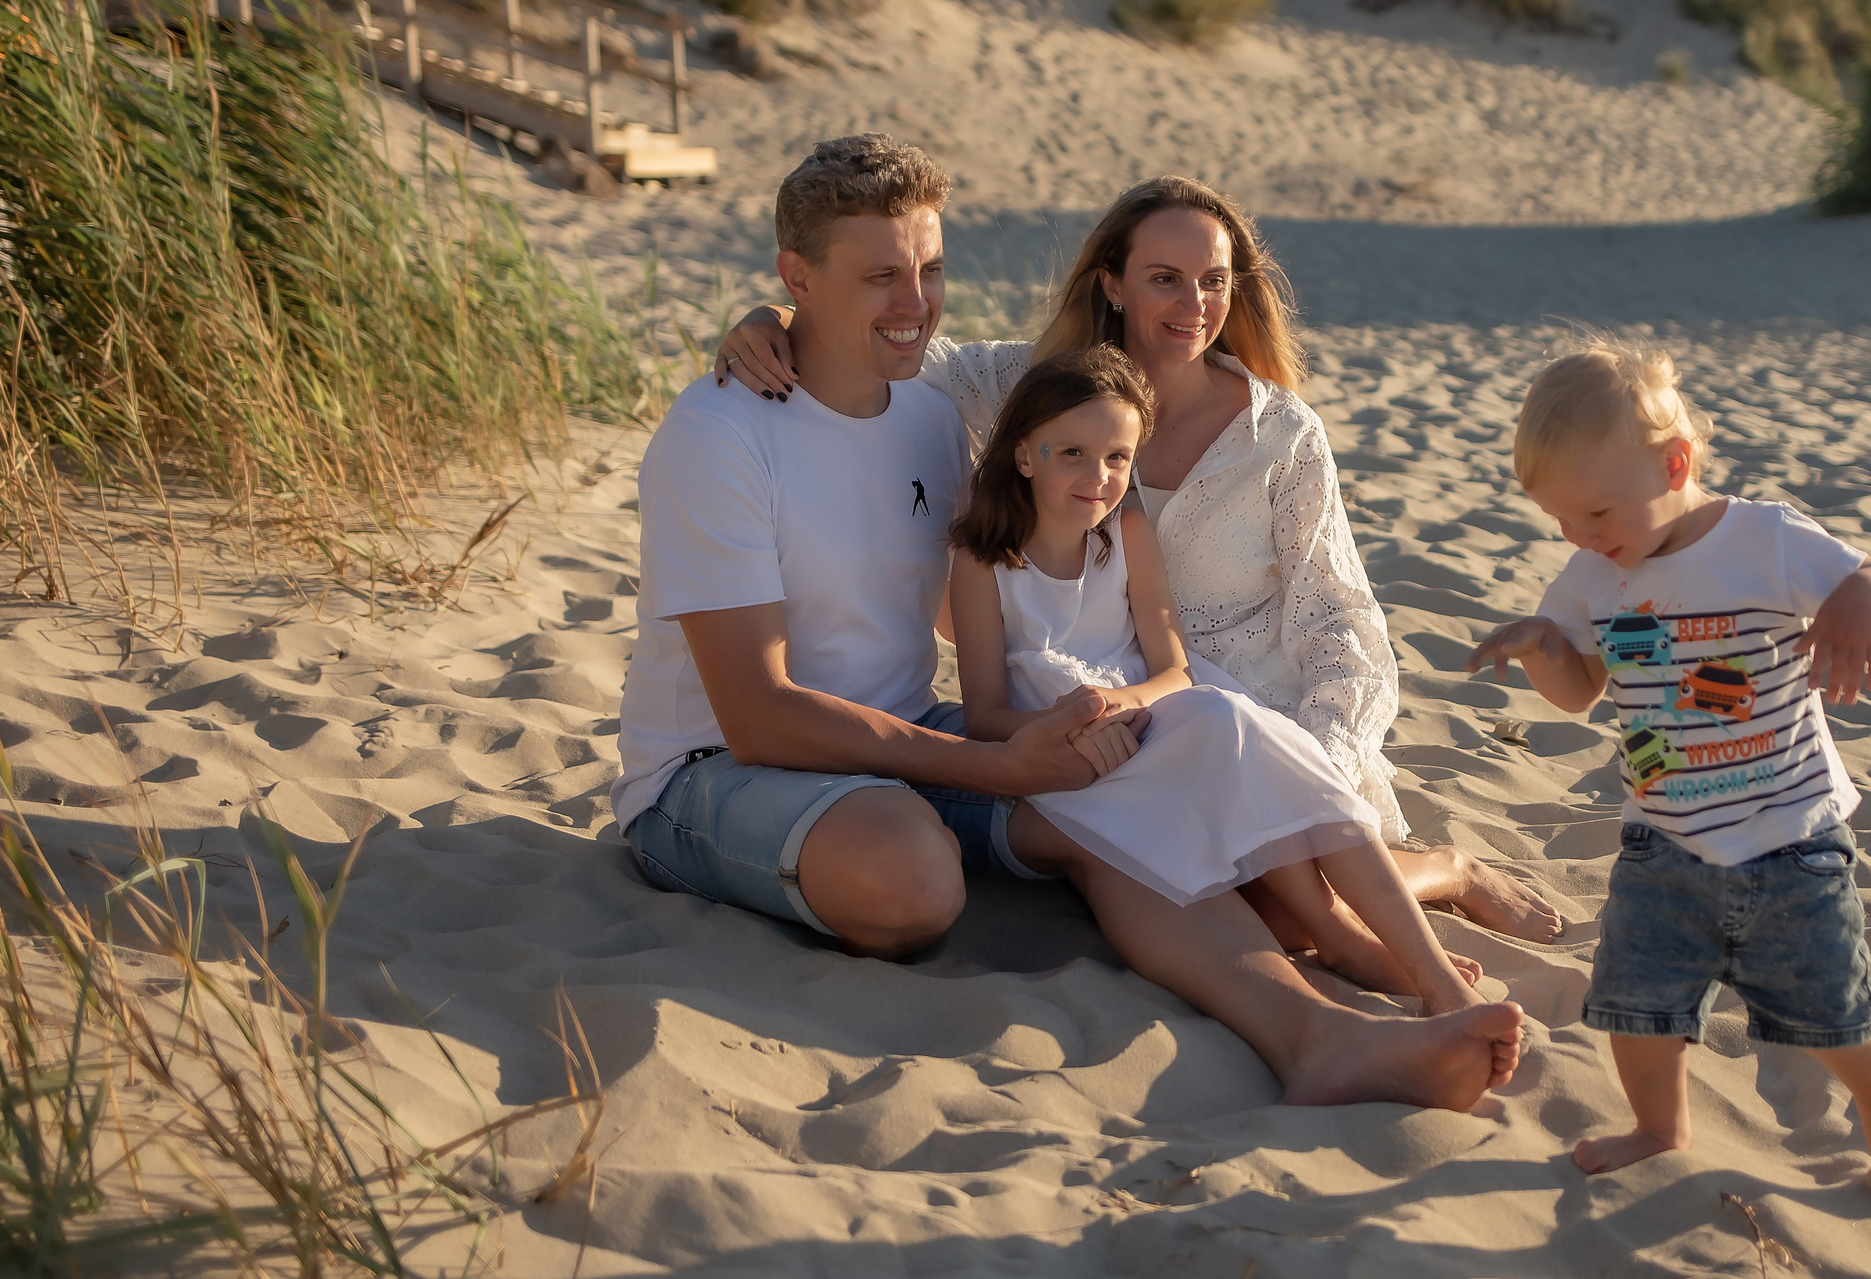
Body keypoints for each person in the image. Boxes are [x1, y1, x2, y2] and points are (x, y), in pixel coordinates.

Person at [617, 134, 1524, 1110]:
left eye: (929, 268)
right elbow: (757, 714)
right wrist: (1001, 766)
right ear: (795, 275)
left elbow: (1028, 392)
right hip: (723, 769)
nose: (915, 301)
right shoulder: (720, 432)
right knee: (911, 875)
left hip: (921, 739)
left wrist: (1041, 748)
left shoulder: (931, 410)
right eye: (880, 273)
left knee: (1130, 801)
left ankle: (1317, 1035)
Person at [715, 177, 1563, 944]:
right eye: (1165, 278)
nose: (1193, 303)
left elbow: (1344, 622)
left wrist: (1317, 765)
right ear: (1112, 284)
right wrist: (775, 320)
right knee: (1242, 900)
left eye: (1214, 281)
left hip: (1265, 718)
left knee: (1285, 898)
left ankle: (1448, 868)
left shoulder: (1281, 434)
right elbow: (893, 344)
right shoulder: (1037, 389)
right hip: (1108, 724)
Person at [1466, 341, 1871, 1193]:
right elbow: (1580, 692)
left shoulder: (1763, 538)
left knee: (1832, 1011)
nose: (1580, 538)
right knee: (1635, 1004)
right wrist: (1544, 647)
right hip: (1663, 841)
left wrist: (1866, 597)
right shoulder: (1592, 577)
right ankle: (1660, 1125)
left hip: (1789, 838)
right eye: (1562, 524)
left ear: (1675, 463)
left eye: (1599, 515)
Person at [948, 343, 1483, 1014]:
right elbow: (984, 719)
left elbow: (1172, 670)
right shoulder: (983, 561)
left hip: (1155, 720)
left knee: (1253, 751)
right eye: (1072, 453)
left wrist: (1118, 703)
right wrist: (1070, 723)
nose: (1099, 476)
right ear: (1025, 454)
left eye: (1118, 458)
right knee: (1245, 781)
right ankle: (1368, 919)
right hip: (1075, 764)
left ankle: (1435, 980)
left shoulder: (1127, 530)